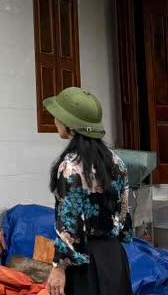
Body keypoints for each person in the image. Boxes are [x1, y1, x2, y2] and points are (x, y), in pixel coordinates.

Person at [43, 86, 133, 295]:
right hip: (114, 256)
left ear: (70, 125)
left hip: (85, 263)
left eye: (58, 116)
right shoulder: (116, 161)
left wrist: (59, 267)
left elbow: (70, 221)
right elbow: (125, 209)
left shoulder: (70, 167)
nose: (55, 120)